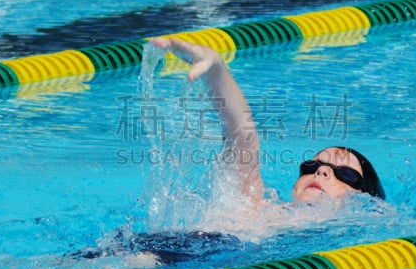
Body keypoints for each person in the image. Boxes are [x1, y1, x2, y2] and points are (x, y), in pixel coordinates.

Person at [149, 36, 385, 205]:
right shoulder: (259, 207)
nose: (322, 170)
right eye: (311, 165)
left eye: (345, 173)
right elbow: (243, 137)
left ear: (364, 199)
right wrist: (216, 69)